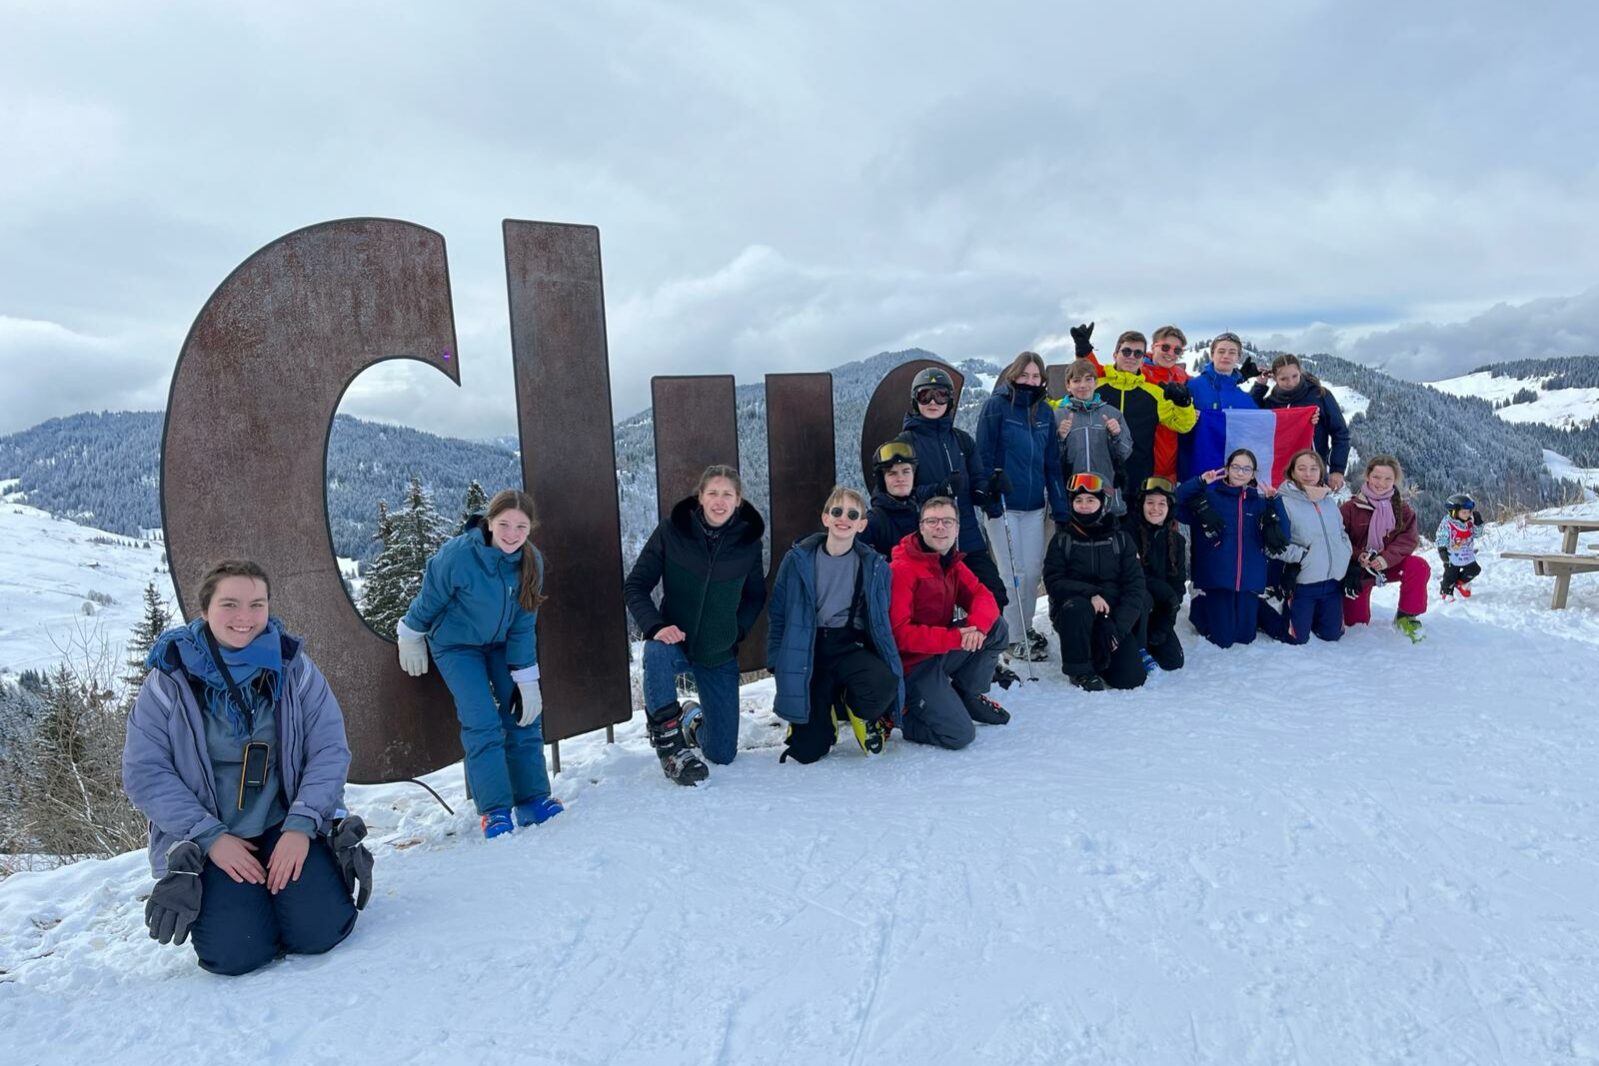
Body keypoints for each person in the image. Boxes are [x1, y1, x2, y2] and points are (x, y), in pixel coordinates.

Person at [123, 560, 368, 976]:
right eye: (230, 604)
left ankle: (326, 860)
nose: (245, 618)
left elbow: (329, 749)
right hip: (209, 835)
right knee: (236, 954)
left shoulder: (293, 669)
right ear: (204, 611)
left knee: (323, 931)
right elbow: (145, 773)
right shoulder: (170, 682)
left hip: (284, 821)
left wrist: (303, 824)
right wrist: (209, 837)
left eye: (257, 604)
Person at [398, 490, 561, 836]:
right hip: (456, 646)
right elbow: (430, 598)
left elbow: (523, 624)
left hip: (501, 644)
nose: (512, 533)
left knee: (524, 714)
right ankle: (495, 809)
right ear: (489, 522)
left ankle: (532, 799)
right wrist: (410, 633)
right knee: (481, 719)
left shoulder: (531, 562)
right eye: (504, 523)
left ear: (531, 528)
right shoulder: (459, 556)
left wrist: (526, 679)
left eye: (521, 526)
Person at [623, 465, 767, 785]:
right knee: (656, 651)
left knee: (722, 753)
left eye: (727, 494)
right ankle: (670, 745)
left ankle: (690, 719)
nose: (719, 500)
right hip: (675, 641)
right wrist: (656, 626)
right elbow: (635, 585)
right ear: (700, 497)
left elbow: (755, 595)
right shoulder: (672, 532)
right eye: (712, 493)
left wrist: (737, 631)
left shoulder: (748, 544)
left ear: (738, 500)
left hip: (718, 653)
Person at [767, 487, 904, 764]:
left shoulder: (873, 565)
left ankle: (856, 711)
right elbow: (778, 612)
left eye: (852, 514)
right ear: (826, 518)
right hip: (809, 648)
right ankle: (818, 712)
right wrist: (775, 659)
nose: (844, 518)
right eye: (837, 511)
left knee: (884, 683)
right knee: (808, 752)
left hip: (847, 644)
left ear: (862, 524)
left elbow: (879, 617)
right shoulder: (798, 560)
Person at [889, 496, 1011, 749]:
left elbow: (981, 594)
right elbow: (900, 634)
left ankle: (968, 693)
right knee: (959, 735)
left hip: (941, 652)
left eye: (947, 521)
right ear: (921, 527)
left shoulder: (949, 562)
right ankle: (904, 717)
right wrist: (955, 638)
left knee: (996, 627)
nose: (940, 527)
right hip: (914, 666)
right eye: (932, 521)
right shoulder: (902, 569)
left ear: (957, 528)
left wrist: (976, 627)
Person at [976, 351, 1070, 662]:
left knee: (1031, 573)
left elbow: (1051, 464)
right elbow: (983, 454)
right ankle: (1011, 636)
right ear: (1013, 375)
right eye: (1025, 375)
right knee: (1011, 573)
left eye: (1035, 376)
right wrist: (988, 491)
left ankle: (1023, 628)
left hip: (1032, 506)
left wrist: (1059, 506)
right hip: (1002, 505)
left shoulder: (1043, 412)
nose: (1030, 381)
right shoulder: (996, 407)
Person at [897, 367, 1007, 613]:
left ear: (950, 400)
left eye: (941, 395)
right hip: (929, 540)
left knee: (993, 598)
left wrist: (990, 490)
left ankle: (978, 650)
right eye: (926, 395)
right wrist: (938, 490)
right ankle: (951, 650)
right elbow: (901, 493)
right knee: (936, 608)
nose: (933, 402)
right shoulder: (905, 443)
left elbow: (977, 483)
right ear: (916, 400)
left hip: (966, 535)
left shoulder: (961, 440)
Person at [1176, 448, 1291, 649]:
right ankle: (1200, 604)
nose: (1240, 472)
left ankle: (1257, 607)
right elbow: (1175, 503)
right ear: (1227, 469)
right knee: (1223, 639)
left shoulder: (1261, 503)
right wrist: (1200, 481)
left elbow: (1285, 534)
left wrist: (1276, 501)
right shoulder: (1211, 498)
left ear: (1253, 473)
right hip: (1217, 579)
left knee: (1246, 637)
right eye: (1236, 467)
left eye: (1247, 469)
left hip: (1249, 580)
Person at [1043, 474, 1148, 691]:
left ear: (1102, 503)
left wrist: (1117, 630)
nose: (1084, 506)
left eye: (1091, 500)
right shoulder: (1063, 540)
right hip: (1075, 614)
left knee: (1131, 679)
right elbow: (1054, 582)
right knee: (1077, 608)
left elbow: (1135, 587)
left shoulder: (1120, 540)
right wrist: (1090, 592)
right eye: (1078, 500)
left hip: (1111, 617)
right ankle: (1080, 670)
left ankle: (1098, 652)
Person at [1095, 331, 1198, 514]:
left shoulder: (1154, 393)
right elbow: (1067, 404)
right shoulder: (1096, 387)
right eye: (1126, 351)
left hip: (1139, 474)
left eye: (1137, 353)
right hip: (1099, 474)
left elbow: (1182, 425)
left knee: (1135, 534)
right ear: (1115, 354)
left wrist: (1184, 403)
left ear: (1143, 358)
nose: (1131, 357)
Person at [1259, 450, 1353, 645]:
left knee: (1333, 635)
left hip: (1332, 583)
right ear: (1292, 472)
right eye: (1301, 468)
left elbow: (1342, 533)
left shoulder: (1329, 502)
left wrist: (1345, 554)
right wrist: (1302, 556)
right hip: (1302, 584)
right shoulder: (1282, 502)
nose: (1308, 474)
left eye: (1313, 468)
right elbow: (1272, 546)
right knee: (1296, 638)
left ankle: (1316, 616)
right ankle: (1262, 610)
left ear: (1321, 472)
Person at [1341, 456, 1431, 641]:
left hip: (1388, 565)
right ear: (1367, 476)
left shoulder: (1401, 509)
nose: (1381, 483)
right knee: (1356, 623)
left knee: (1417, 566)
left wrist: (1385, 559)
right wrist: (1359, 556)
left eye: (1388, 479)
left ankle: (1406, 615)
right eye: (1376, 477)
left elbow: (1408, 539)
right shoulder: (1350, 508)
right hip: (1358, 571)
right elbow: (1340, 540)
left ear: (1395, 480)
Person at [1248, 355, 1352, 491]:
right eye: (1283, 379)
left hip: (1312, 473)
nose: (1290, 382)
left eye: (1294, 376)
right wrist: (1259, 386)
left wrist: (1337, 469)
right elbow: (1249, 416)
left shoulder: (1319, 395)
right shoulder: (1271, 403)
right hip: (1280, 474)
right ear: (1275, 378)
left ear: (1300, 372)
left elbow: (1340, 433)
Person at [1056, 358, 1133, 519]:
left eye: (1088, 379)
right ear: (1068, 385)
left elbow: (1125, 453)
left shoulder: (1112, 413)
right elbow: (1051, 459)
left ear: (1096, 382)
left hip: (1108, 496)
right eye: (1076, 381)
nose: (1082, 385)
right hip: (1075, 499)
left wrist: (1117, 435)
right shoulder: (1058, 416)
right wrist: (1060, 438)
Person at [1130, 477, 1187, 672]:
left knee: (1173, 662)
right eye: (1150, 502)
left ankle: (1150, 639)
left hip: (1160, 612)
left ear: (1169, 507)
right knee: (1143, 596)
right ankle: (1136, 645)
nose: (1155, 508)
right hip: (1132, 611)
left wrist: (1163, 626)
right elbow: (1132, 578)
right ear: (1142, 505)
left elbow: (1178, 588)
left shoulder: (1177, 541)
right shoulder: (1127, 534)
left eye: (1162, 503)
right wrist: (1165, 592)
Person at [1141, 325, 1192, 482]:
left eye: (1177, 351)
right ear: (1153, 347)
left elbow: (1203, 387)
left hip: (1169, 458)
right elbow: (1097, 374)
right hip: (1141, 455)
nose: (1170, 354)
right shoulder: (1137, 370)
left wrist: (1238, 377)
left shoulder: (1180, 374)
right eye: (1165, 347)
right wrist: (1084, 353)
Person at [863, 440, 923, 559]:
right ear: (882, 480)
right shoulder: (874, 521)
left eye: (906, 472)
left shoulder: (922, 513)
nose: (900, 478)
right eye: (892, 473)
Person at [1186, 332, 1261, 414]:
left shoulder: (1245, 400)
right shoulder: (1192, 387)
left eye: (1232, 352)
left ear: (1238, 357)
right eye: (1221, 351)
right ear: (1212, 355)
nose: (1226, 356)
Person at [1436, 493, 1484, 601]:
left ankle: (1461, 582)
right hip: (1451, 555)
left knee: (1475, 569)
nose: (1467, 514)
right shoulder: (1447, 523)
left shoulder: (1469, 522)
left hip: (1466, 553)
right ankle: (1446, 590)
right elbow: (1441, 536)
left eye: (1469, 512)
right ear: (1454, 512)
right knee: (1450, 575)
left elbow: (1477, 534)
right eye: (1464, 512)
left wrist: (1478, 523)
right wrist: (1442, 549)